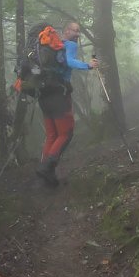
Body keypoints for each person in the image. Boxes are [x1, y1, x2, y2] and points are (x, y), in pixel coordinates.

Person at [36, 21, 99, 186]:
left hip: (43, 95)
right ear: (65, 31)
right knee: (66, 133)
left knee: (52, 135)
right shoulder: (69, 45)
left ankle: (47, 173)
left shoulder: (47, 47)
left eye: (79, 31)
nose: (77, 34)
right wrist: (88, 65)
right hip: (58, 96)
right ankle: (46, 167)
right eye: (74, 31)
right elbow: (70, 62)